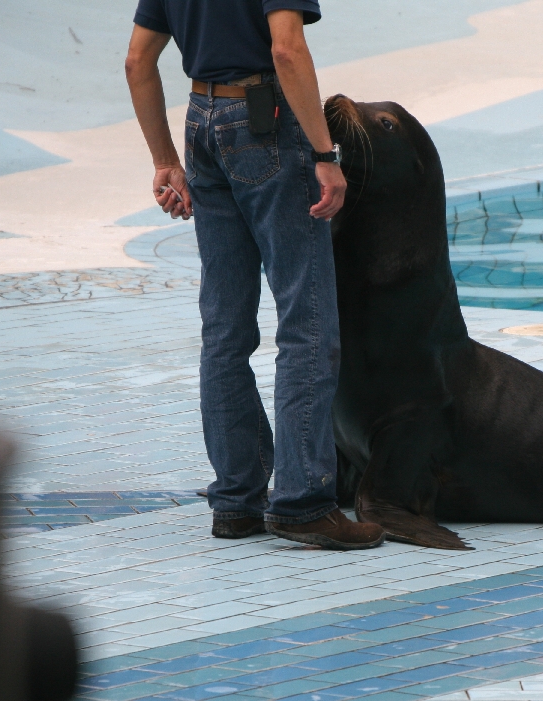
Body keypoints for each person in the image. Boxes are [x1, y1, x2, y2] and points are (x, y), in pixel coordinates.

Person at [125, 0, 384, 549]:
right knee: (305, 320)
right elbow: (286, 48)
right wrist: (324, 152)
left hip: (201, 122)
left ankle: (237, 502)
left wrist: (163, 159)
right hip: (263, 121)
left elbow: (137, 61)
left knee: (224, 326)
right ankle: (303, 501)